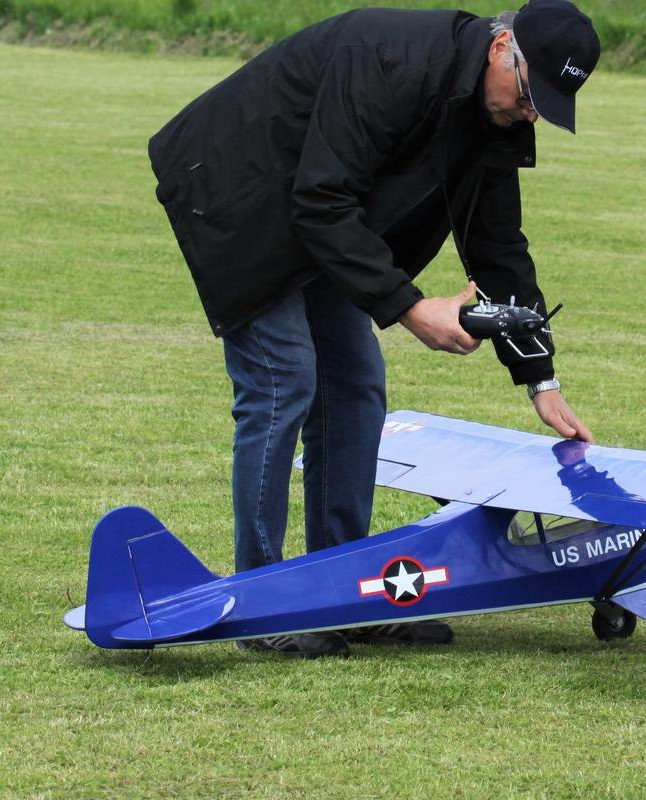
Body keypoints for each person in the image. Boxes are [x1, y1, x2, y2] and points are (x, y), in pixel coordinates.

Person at [147, 1, 600, 657]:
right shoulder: (389, 61)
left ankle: (343, 594)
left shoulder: (496, 112)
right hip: (236, 187)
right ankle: (260, 606)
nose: (532, 114)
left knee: (357, 385)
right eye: (532, 96)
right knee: (284, 380)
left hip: (319, 209)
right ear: (502, 49)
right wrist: (410, 307)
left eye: (547, 108)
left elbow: (498, 244)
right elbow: (320, 197)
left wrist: (541, 379)